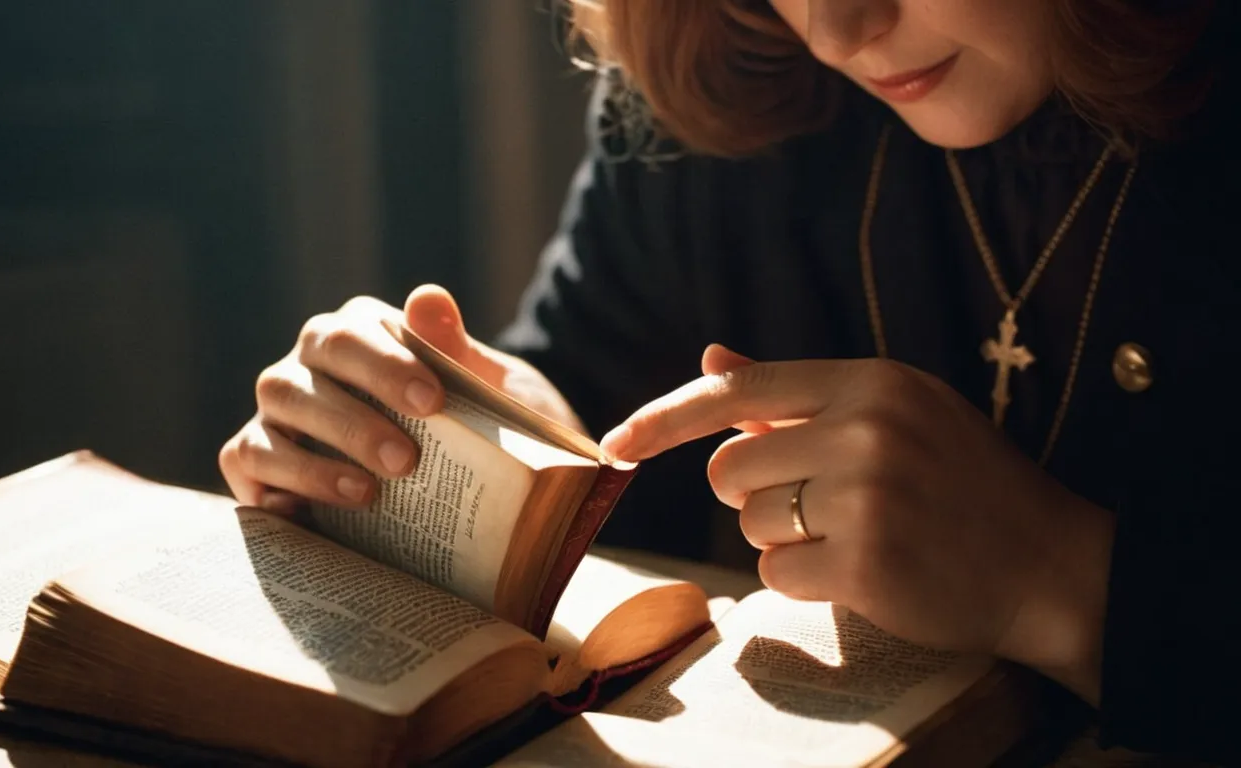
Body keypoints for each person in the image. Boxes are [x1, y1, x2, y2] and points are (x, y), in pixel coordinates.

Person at [219, 0, 1240, 761]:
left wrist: (1060, 585)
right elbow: (590, 381)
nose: (835, 31)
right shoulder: (733, 75)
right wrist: (463, 445)